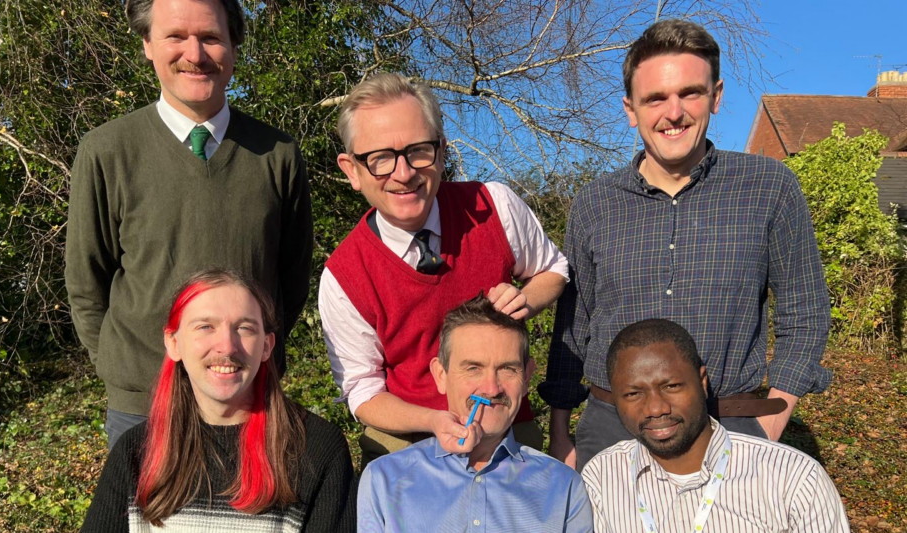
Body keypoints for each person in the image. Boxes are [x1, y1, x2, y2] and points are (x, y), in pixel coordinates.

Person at [541, 19, 831, 470]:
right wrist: (561, 433)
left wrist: (771, 423)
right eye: (655, 98)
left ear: (716, 96)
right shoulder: (595, 202)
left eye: (689, 93)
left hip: (731, 428)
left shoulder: (768, 187)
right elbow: (573, 328)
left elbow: (806, 313)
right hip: (611, 432)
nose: (672, 113)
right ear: (630, 109)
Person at [65, 0, 312, 447]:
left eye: (211, 37)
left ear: (235, 47)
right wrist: (124, 367)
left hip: (248, 401)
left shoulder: (278, 155)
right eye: (176, 36)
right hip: (142, 407)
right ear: (147, 44)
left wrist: (248, 361)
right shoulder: (106, 151)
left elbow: (291, 280)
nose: (194, 54)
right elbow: (86, 281)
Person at [320, 72, 569, 464]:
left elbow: (554, 270)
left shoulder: (494, 207)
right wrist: (434, 420)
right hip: (410, 440)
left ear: (442, 150)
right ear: (352, 170)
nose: (404, 174)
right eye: (380, 159)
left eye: (419, 150)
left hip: (505, 427)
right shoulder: (343, 276)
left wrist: (523, 300)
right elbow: (363, 392)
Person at [80, 270, 356, 533]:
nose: (226, 346)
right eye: (205, 326)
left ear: (266, 346)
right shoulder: (136, 452)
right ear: (173, 343)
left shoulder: (317, 450)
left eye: (245, 328)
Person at [582, 319, 849, 532]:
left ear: (702, 382)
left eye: (672, 386)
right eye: (633, 394)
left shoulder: (793, 478)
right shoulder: (602, 475)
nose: (656, 409)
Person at [358, 295, 593, 532]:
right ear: (441, 375)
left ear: (526, 378)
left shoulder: (563, 487)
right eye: (473, 368)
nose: (491, 388)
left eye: (507, 369)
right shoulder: (385, 480)